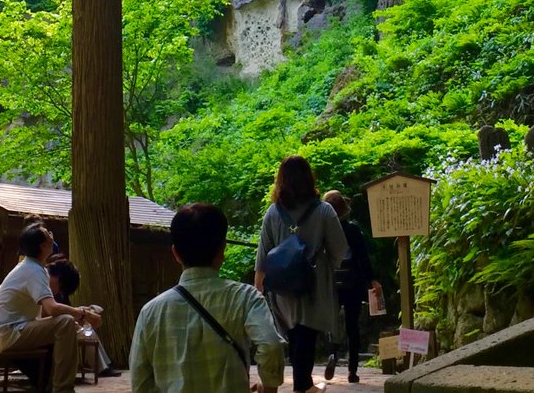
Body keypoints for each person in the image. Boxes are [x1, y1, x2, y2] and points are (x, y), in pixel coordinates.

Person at [131, 203, 285, 393]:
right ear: (222, 249)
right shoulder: (245, 297)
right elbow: (271, 345)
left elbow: (140, 382)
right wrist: (269, 387)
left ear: (175, 253)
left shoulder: (151, 312)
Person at [254, 156, 347, 393]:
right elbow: (339, 249)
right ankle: (302, 386)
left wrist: (259, 284)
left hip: (282, 285)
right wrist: (326, 266)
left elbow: (263, 252)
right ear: (309, 177)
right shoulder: (324, 211)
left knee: (295, 333)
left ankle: (302, 384)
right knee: (307, 331)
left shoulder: (273, 213)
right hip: (313, 281)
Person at [0, 222, 102, 393]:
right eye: (48, 233)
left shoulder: (34, 268)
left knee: (67, 324)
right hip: (9, 333)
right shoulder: (33, 270)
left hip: (12, 331)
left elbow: (48, 312)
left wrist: (79, 313)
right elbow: (52, 309)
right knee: (65, 322)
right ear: (43, 245)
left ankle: (52, 385)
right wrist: (82, 313)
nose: (52, 234)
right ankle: (63, 389)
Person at [321, 190, 382, 384]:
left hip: (332, 283)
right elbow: (363, 258)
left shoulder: (323, 231)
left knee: (331, 322)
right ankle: (352, 370)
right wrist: (372, 279)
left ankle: (333, 352)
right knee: (352, 326)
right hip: (353, 283)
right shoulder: (353, 230)